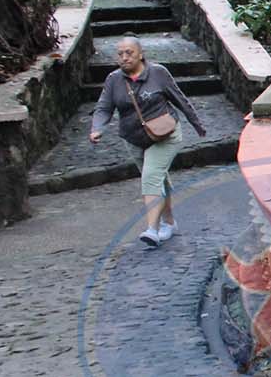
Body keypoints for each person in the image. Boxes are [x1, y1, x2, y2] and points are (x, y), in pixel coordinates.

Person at [89, 35, 209, 247]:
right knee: (158, 179)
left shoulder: (158, 73)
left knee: (151, 177)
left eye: (129, 53)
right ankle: (169, 223)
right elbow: (104, 107)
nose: (124, 57)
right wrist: (97, 128)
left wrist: (196, 124)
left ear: (140, 54)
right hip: (134, 137)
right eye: (120, 54)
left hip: (166, 134)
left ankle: (152, 229)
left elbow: (179, 98)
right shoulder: (114, 79)